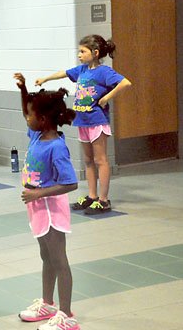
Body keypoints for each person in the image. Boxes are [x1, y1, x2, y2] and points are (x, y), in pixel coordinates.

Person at [13, 72, 80, 330]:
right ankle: (47, 304)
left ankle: (66, 315)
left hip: (51, 208)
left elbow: (71, 183)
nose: (26, 118)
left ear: (42, 120)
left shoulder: (56, 147)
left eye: (31, 115)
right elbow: (26, 110)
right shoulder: (37, 136)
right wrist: (24, 89)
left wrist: (38, 194)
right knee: (46, 256)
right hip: (38, 207)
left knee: (59, 259)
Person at [35, 35, 131, 214]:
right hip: (83, 121)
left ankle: (103, 200)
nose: (79, 55)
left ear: (95, 53)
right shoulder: (82, 70)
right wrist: (45, 79)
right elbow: (63, 73)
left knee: (100, 160)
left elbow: (125, 83)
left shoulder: (103, 72)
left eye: (83, 51)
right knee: (88, 160)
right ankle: (92, 196)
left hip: (97, 122)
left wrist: (106, 98)